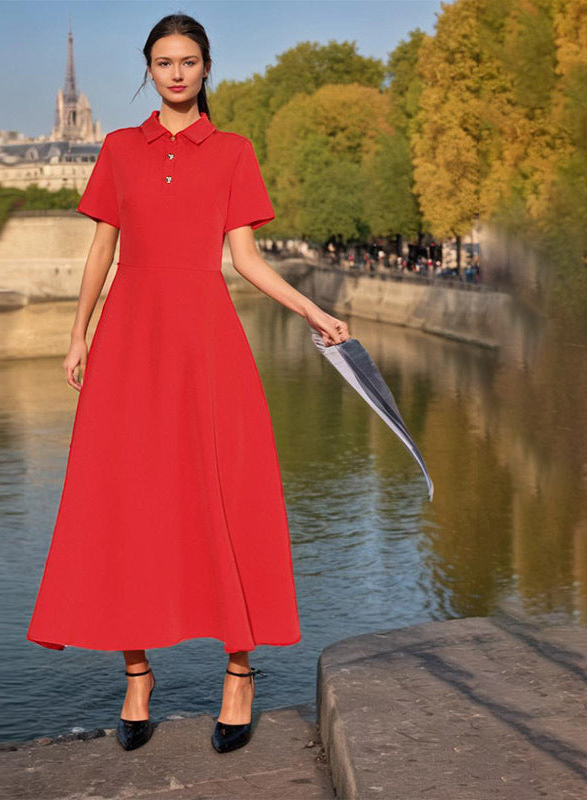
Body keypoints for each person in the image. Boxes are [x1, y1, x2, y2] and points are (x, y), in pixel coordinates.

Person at [26, 13, 350, 755]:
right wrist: (78, 334)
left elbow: (247, 259)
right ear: (149, 70)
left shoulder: (234, 151)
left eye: (189, 61)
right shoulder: (117, 149)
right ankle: (136, 673)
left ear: (207, 69)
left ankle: (240, 671)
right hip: (129, 344)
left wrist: (313, 309)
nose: (177, 72)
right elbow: (101, 250)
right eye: (164, 61)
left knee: (226, 496)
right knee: (125, 499)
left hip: (206, 345)